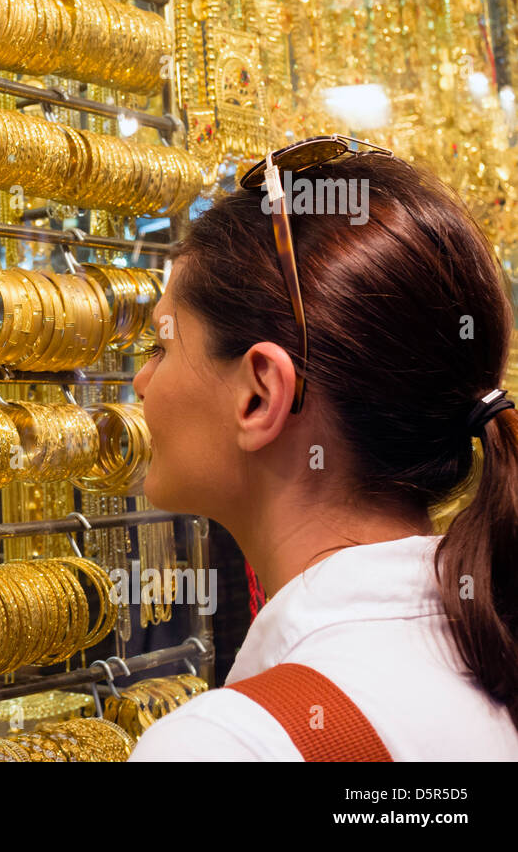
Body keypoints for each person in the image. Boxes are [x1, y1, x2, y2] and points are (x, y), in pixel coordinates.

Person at [126, 140, 518, 760]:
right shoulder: (490, 661)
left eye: (162, 348)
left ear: (260, 395)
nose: (143, 383)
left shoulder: (230, 746)